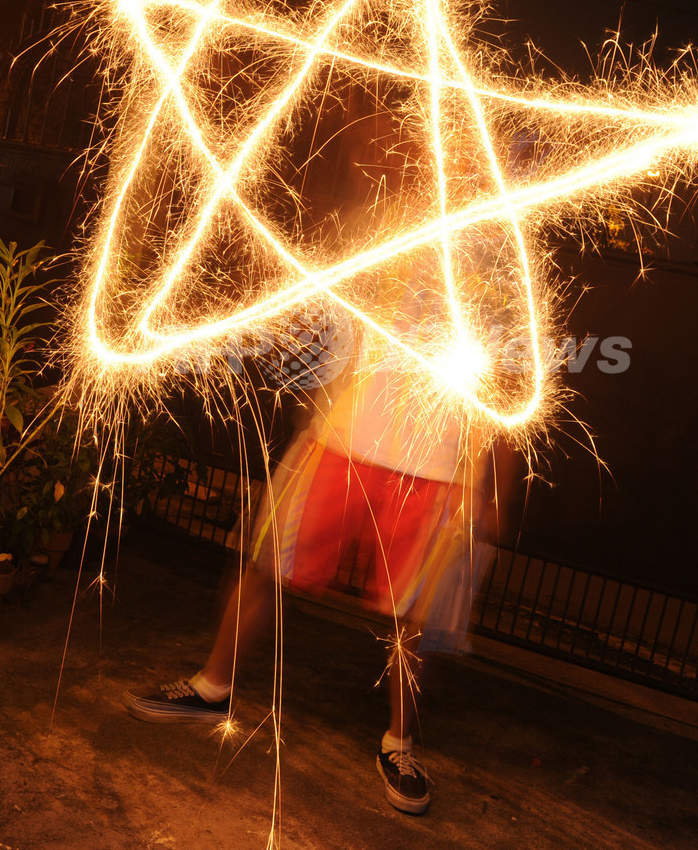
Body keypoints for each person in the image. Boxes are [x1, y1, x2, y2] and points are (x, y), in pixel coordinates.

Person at [124, 101, 516, 815]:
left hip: (436, 468)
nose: (455, 164)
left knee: (409, 620)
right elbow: (336, 315)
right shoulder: (393, 228)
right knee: (263, 562)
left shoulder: (505, 266)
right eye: (449, 150)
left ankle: (400, 744)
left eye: (468, 156)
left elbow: (512, 385)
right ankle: (212, 688)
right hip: (344, 441)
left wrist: (492, 488)